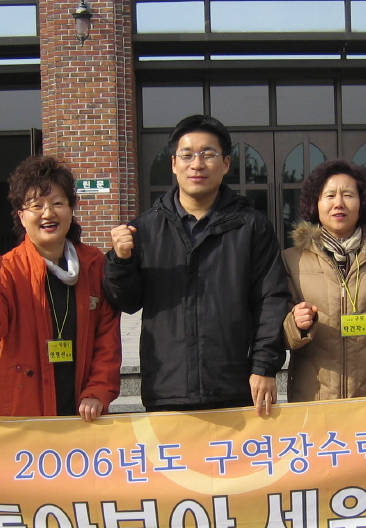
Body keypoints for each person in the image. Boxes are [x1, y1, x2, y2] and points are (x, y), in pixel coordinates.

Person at [104, 114, 290, 414]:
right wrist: (120, 261)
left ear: (226, 163)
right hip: (166, 388)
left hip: (234, 385)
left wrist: (264, 366)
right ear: (173, 164)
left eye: (208, 154)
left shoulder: (252, 227)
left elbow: (271, 299)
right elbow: (126, 301)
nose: (197, 164)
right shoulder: (145, 229)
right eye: (187, 155)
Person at [0, 155, 120, 420]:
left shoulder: (93, 264)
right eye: (36, 206)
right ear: (22, 217)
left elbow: (107, 338)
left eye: (58, 203)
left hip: (84, 408)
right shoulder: (7, 268)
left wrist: (99, 389)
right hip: (24, 411)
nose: (48, 213)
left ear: (71, 209)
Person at [282, 159, 366, 401]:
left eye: (348, 195)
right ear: (315, 203)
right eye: (329, 195)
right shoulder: (292, 260)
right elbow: (274, 332)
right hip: (313, 397)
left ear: (362, 202)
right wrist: (295, 325)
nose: (339, 203)